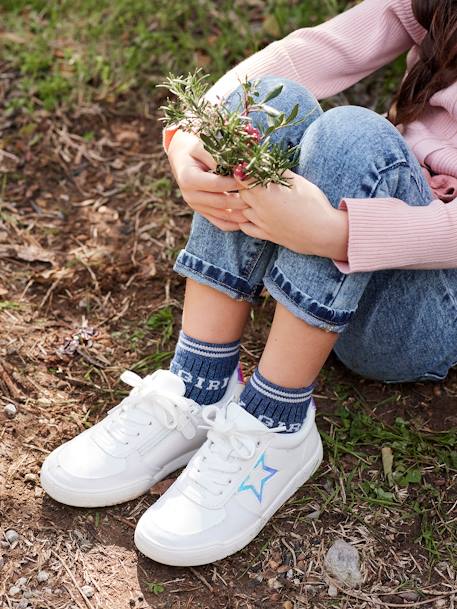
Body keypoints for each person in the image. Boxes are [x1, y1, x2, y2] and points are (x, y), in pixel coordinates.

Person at [40, 0, 457, 566]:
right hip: (361, 250)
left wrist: (338, 233)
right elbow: (312, 52)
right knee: (267, 102)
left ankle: (276, 423)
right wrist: (190, 139)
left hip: (427, 309)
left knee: (354, 135)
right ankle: (199, 383)